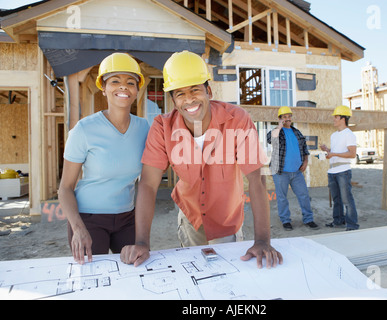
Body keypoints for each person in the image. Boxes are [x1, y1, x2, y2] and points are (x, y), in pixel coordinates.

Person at [120, 50, 283, 269]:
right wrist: (141, 243)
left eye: (195, 90)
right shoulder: (162, 127)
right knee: (195, 273)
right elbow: (148, 184)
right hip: (190, 218)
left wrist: (262, 240)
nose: (189, 99)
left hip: (227, 220)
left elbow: (256, 179)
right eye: (180, 93)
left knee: (228, 275)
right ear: (173, 100)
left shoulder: (237, 120)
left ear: (209, 90)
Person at [59, 53, 150, 264]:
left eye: (130, 82)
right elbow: (65, 188)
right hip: (88, 219)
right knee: (93, 283)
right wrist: (78, 229)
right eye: (115, 81)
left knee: (133, 273)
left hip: (128, 217)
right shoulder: (84, 130)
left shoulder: (144, 128)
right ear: (104, 87)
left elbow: (151, 176)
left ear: (137, 90)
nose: (123, 87)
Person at [267, 107, 318, 231]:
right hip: (280, 172)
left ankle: (308, 219)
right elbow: (270, 139)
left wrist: (305, 162)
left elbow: (305, 149)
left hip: (297, 172)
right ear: (279, 119)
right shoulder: (277, 132)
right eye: (284, 117)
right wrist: (279, 126)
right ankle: (286, 221)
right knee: (282, 197)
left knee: (304, 195)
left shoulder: (297, 132)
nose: (287, 118)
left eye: (289, 116)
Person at [320, 105, 359, 231]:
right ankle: (338, 221)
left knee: (346, 199)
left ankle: (352, 225)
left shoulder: (349, 134)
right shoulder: (334, 135)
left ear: (343, 119)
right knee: (337, 199)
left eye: (336, 117)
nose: (334, 119)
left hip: (343, 171)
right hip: (332, 170)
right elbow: (336, 151)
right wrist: (328, 150)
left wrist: (334, 154)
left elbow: (352, 154)